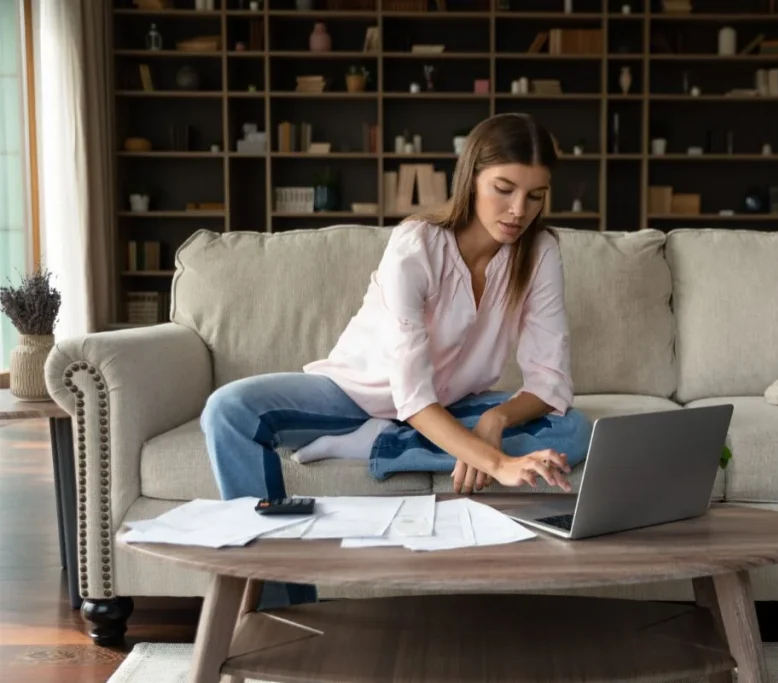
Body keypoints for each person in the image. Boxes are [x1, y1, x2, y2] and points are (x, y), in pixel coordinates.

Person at [199, 112, 593, 607]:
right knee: (228, 410)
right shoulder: (417, 243)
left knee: (573, 430)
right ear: (470, 179)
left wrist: (494, 421)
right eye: (504, 188)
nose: (519, 210)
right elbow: (410, 392)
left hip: (451, 406)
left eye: (535, 195)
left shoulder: (541, 252)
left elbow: (550, 380)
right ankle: (280, 608)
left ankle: (375, 445)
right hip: (355, 396)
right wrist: (495, 462)